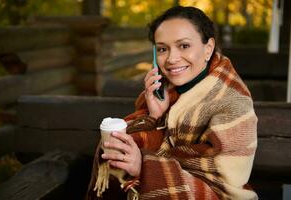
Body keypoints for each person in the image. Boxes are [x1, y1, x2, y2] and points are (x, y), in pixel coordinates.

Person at [86, 6, 258, 200]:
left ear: (208, 48)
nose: (171, 59)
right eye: (162, 49)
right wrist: (154, 117)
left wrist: (144, 167)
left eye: (184, 46)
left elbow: (221, 184)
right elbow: (150, 147)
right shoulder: (166, 92)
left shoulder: (233, 104)